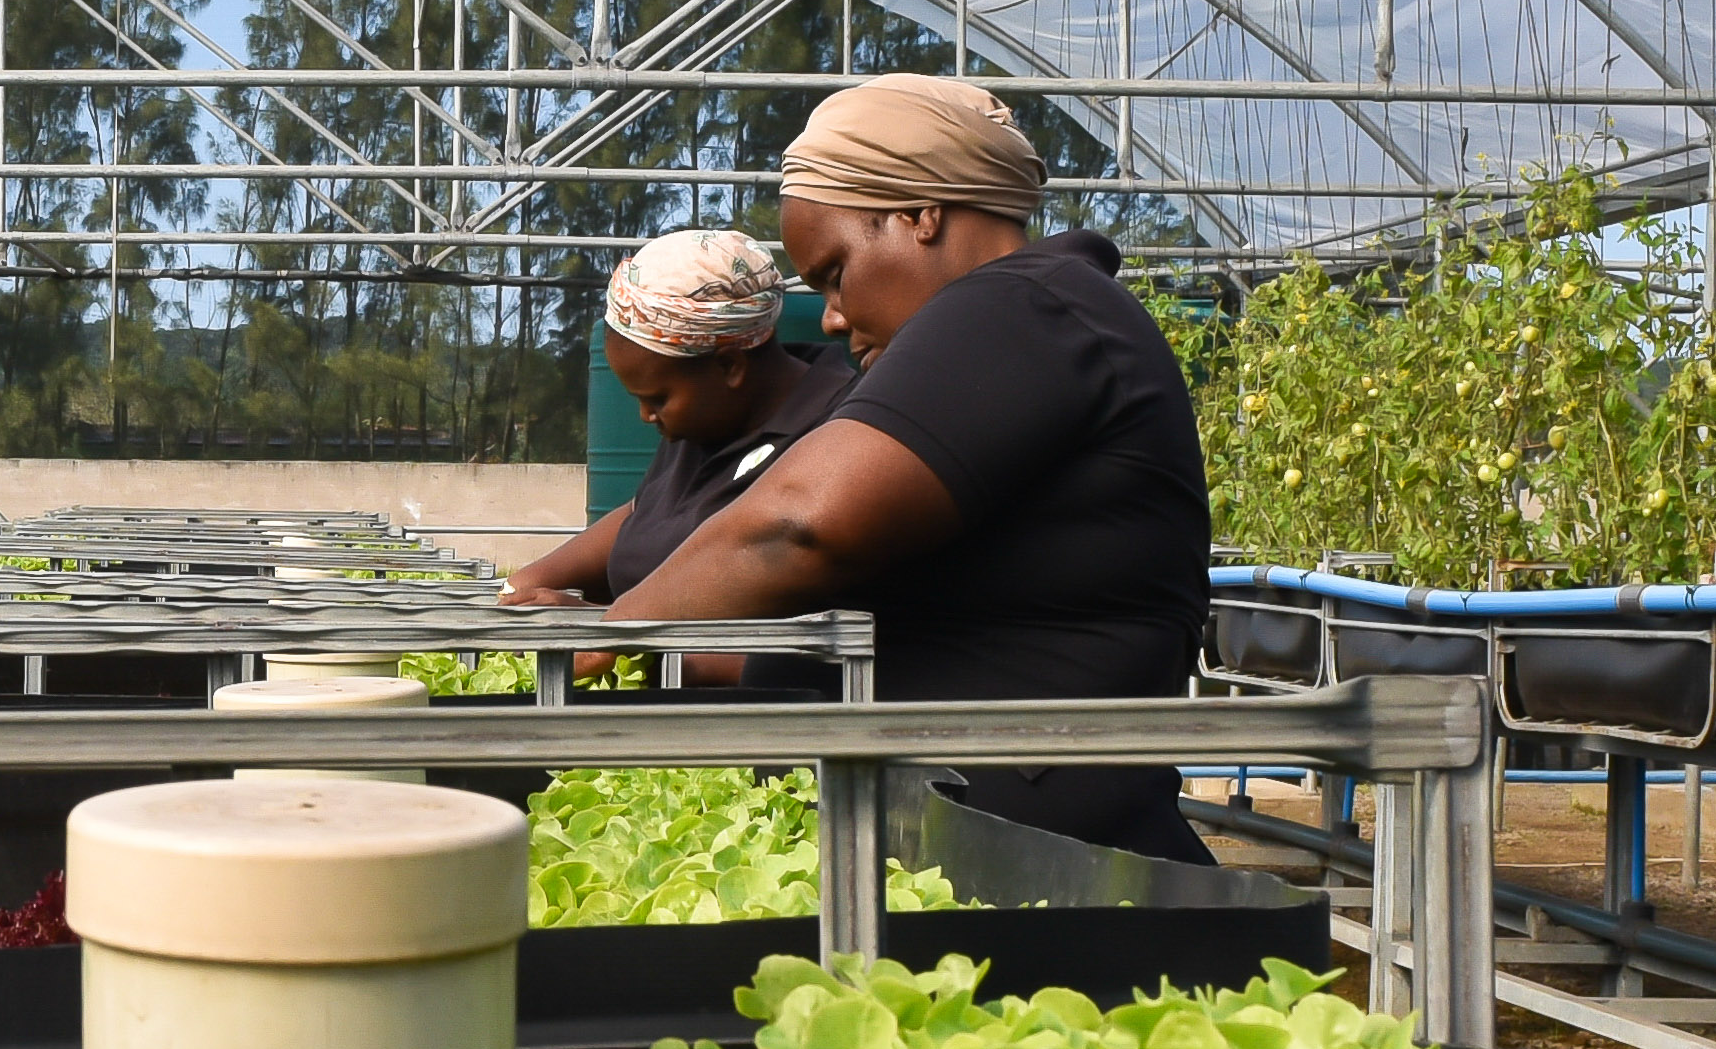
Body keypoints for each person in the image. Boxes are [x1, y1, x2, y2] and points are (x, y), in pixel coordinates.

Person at [606, 72, 1219, 866]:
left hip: (1019, 854)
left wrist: (610, 636)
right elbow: (941, 629)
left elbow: (799, 524)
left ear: (918, 213)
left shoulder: (1027, 305)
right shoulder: (1028, 321)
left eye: (833, 272)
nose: (829, 314)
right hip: (979, 830)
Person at [505, 228, 865, 607]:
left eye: (658, 399)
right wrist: (525, 582)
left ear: (728, 366)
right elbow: (643, 512)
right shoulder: (706, 424)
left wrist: (598, 628)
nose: (646, 415)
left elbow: (785, 622)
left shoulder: (840, 429)